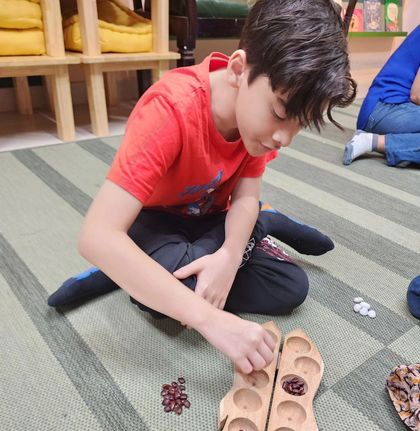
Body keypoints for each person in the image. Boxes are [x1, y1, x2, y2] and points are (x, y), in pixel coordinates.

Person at [48, 0, 356, 374]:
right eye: (279, 112)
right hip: (155, 221)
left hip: (211, 220)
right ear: (239, 70)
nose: (284, 138)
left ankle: (256, 226)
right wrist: (211, 321)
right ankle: (253, 230)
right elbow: (95, 236)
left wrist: (227, 258)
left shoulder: (256, 131)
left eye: (300, 124)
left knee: (291, 287)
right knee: (165, 299)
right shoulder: (171, 109)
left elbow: (245, 197)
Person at [343, 24, 420, 167]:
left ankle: (373, 141)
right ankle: (377, 142)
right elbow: (417, 95)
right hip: (384, 108)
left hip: (388, 110)